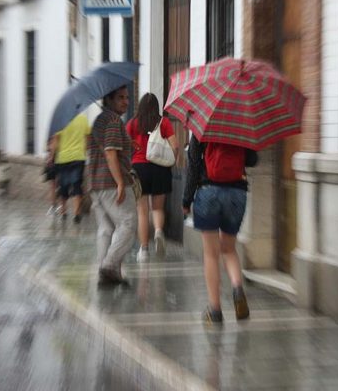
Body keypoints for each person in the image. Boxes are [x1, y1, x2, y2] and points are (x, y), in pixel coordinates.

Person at [182, 135, 258, 324]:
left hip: (208, 191)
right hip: (237, 193)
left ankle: (215, 310)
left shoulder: (202, 127)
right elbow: (252, 160)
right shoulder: (241, 125)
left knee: (211, 254)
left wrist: (187, 199)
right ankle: (237, 287)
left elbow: (192, 164)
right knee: (229, 249)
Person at [88, 86, 137, 286]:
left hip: (95, 183)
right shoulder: (113, 121)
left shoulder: (101, 120)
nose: (126, 101)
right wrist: (119, 183)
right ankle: (109, 265)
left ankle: (105, 272)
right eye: (120, 98)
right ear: (108, 100)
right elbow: (110, 153)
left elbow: (108, 148)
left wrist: (128, 144)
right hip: (111, 183)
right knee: (128, 222)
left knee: (106, 228)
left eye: (127, 97)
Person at [126, 93, 178, 262]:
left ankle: (144, 250)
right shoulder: (164, 123)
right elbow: (175, 145)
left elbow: (125, 144)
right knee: (157, 208)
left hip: (139, 168)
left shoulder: (133, 123)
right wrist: (171, 161)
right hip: (160, 168)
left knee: (142, 211)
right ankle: (158, 231)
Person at [52, 113, 91, 224]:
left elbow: (56, 140)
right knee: (77, 184)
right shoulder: (83, 119)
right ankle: (77, 213)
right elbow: (88, 139)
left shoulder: (60, 119)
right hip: (79, 157)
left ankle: (63, 211)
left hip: (63, 158)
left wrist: (52, 156)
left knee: (63, 185)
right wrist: (83, 151)